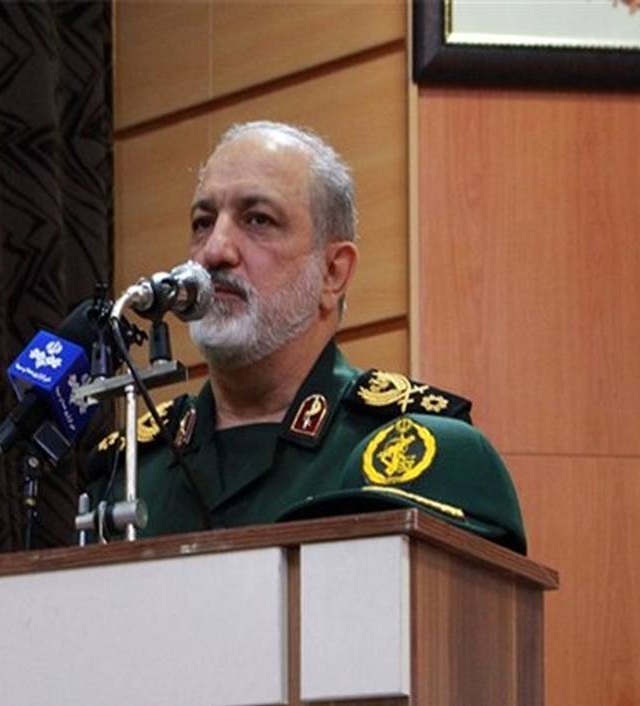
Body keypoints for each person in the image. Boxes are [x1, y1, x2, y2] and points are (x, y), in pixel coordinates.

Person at [85, 121, 484, 541]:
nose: (214, 251)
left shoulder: (412, 449)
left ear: (332, 272)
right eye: (203, 223)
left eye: (258, 220)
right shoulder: (130, 470)